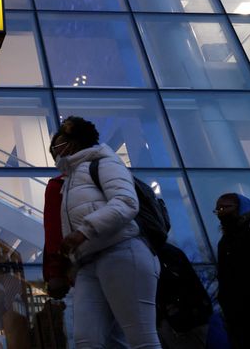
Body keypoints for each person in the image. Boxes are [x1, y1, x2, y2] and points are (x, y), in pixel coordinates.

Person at [52, 116, 161, 348]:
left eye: (58, 144)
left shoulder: (104, 162)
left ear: (72, 143)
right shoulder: (69, 181)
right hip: (87, 264)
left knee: (140, 337)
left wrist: (84, 231)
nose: (54, 150)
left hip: (121, 251)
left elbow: (126, 202)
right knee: (86, 340)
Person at [214, 192, 250, 349]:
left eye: (224, 207)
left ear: (239, 207)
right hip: (237, 312)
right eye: (217, 209)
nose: (220, 212)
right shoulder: (225, 241)